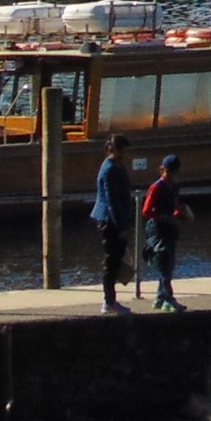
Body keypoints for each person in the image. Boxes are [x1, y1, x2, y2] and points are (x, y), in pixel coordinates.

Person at [90, 132, 133, 313]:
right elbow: (111, 200)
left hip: (117, 220)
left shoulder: (117, 166)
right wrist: (121, 227)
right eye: (121, 151)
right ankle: (108, 302)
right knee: (111, 262)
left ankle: (111, 300)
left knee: (115, 260)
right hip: (109, 221)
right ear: (112, 150)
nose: (124, 155)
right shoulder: (109, 170)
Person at [141, 152, 190, 311]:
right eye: (169, 172)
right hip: (157, 228)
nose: (171, 176)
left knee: (169, 262)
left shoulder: (175, 187)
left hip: (170, 228)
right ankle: (168, 297)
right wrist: (163, 217)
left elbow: (174, 205)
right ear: (162, 170)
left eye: (174, 173)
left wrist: (180, 213)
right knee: (164, 262)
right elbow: (146, 211)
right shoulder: (156, 187)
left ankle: (160, 298)